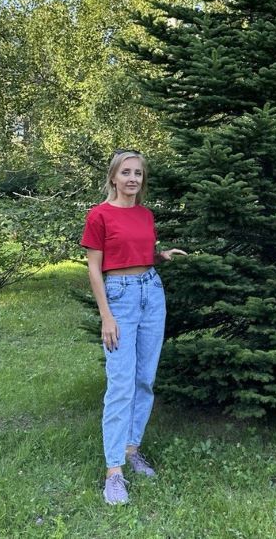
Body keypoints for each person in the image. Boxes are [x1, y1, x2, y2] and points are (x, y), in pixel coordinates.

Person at [81, 150, 186, 505]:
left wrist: (160, 256)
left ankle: (131, 449)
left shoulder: (145, 214)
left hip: (152, 293)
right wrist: (106, 316)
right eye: (126, 172)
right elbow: (95, 269)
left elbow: (139, 250)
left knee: (144, 379)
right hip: (120, 299)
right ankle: (114, 472)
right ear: (113, 177)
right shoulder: (99, 215)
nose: (132, 179)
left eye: (138, 173)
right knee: (121, 384)